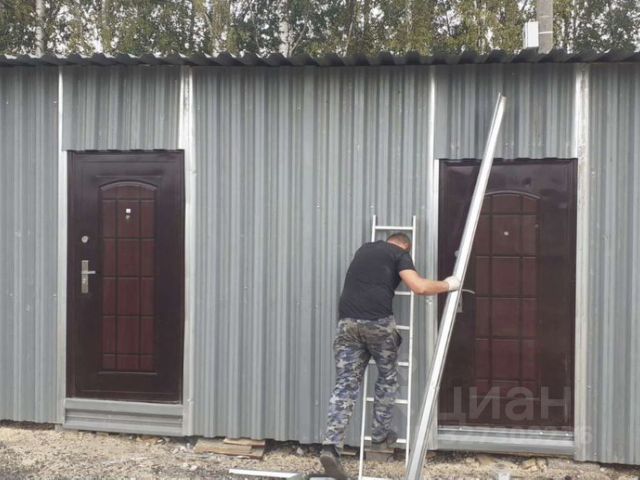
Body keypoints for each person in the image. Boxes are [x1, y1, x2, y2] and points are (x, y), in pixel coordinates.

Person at [319, 232, 460, 479]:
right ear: (406, 246)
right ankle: (380, 436)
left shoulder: (365, 248)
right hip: (377, 324)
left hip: (347, 324)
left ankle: (330, 446)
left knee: (345, 385)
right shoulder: (400, 254)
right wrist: (449, 284)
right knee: (387, 378)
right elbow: (419, 287)